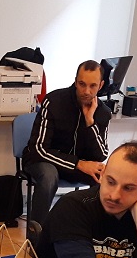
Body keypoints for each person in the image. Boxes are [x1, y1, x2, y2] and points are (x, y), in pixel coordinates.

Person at [21, 60, 112, 226]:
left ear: (101, 85)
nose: (86, 91)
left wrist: (90, 122)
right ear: (75, 81)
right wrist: (78, 164)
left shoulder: (103, 112)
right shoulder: (54, 101)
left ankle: (91, 231)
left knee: (103, 177)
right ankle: (37, 234)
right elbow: (39, 149)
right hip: (42, 162)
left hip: (74, 166)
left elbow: (101, 155)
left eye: (92, 86)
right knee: (49, 176)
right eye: (82, 84)